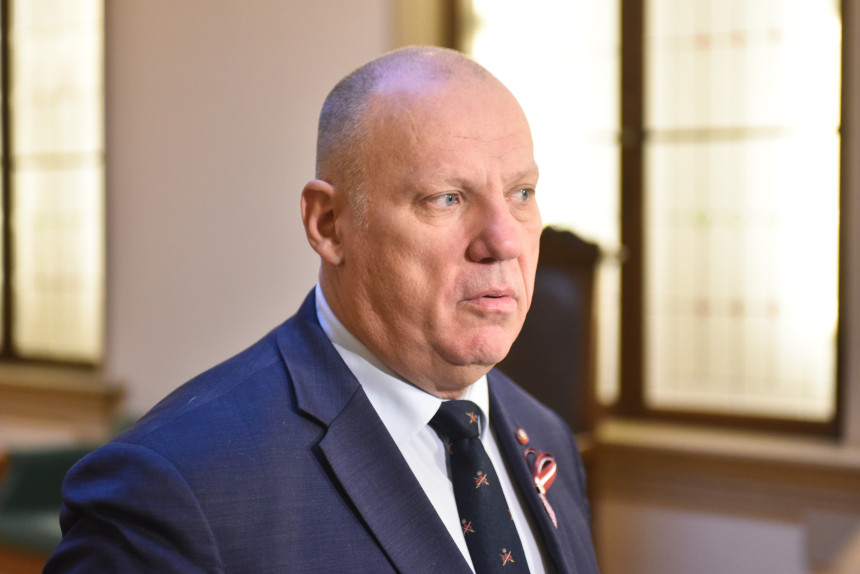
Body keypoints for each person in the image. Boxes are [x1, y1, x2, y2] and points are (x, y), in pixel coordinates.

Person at [44, 46, 600, 573]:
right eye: (446, 198)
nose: (503, 241)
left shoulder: (545, 435)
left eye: (521, 193)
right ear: (329, 225)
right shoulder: (176, 487)